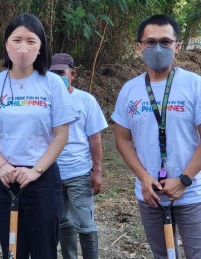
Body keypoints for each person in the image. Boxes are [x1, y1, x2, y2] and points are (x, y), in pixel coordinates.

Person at [0, 13, 78, 259]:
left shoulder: (52, 83)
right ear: (6, 44)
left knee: (45, 251)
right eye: (16, 40)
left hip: (42, 180)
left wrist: (36, 171)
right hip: (5, 179)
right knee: (11, 250)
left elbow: (61, 135)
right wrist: (2, 165)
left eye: (31, 41)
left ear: (41, 47)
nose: (23, 47)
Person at [111, 14, 201, 258]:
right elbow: (122, 139)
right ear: (139, 47)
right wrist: (143, 177)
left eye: (165, 41)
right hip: (149, 194)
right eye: (150, 42)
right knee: (161, 254)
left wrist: (184, 180)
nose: (158, 48)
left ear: (177, 47)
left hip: (192, 194)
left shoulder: (195, 85)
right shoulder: (129, 90)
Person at [50, 53, 108, 259]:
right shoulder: (45, 101)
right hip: (52, 172)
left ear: (72, 74)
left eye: (60, 73)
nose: (56, 77)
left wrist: (97, 171)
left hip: (79, 172)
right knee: (63, 221)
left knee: (85, 222)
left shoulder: (86, 100)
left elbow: (95, 138)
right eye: (52, 73)